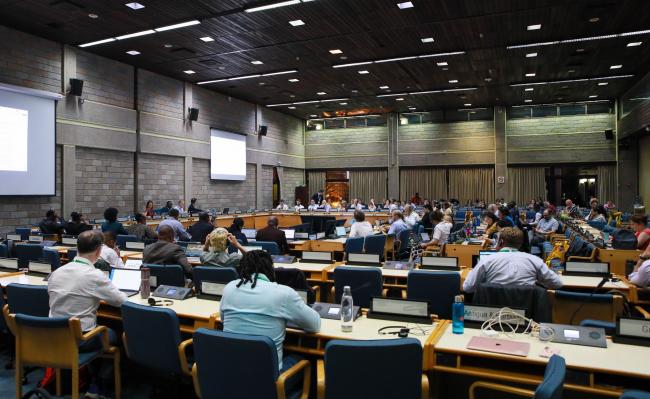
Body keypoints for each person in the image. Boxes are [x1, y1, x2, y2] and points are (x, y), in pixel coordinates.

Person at [220, 250, 320, 371]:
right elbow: (314, 325)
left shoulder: (229, 288)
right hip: (269, 379)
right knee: (303, 358)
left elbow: (223, 319)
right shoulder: (284, 293)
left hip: (231, 370)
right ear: (271, 269)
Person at [48, 229, 127, 349]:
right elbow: (122, 301)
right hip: (82, 338)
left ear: (77, 247)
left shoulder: (56, 273)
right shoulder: (95, 275)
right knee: (117, 333)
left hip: (55, 334)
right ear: (99, 250)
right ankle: (105, 367)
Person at [463, 227, 563, 293]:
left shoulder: (486, 261)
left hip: (492, 318)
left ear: (501, 242)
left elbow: (467, 288)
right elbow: (557, 284)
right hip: (527, 318)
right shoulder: (535, 260)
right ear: (519, 243)